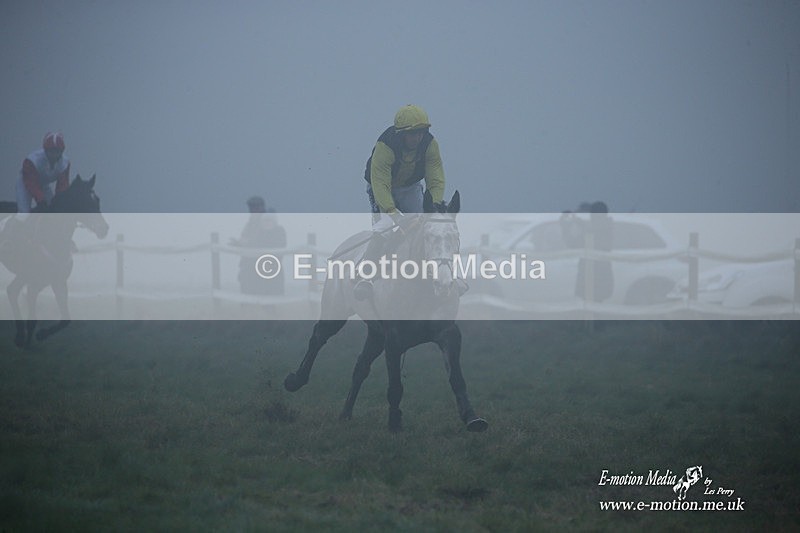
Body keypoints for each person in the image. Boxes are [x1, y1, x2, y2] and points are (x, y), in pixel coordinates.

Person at [355, 104, 446, 299]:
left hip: (410, 187)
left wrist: (435, 206)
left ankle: (443, 275)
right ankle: (366, 276)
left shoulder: (430, 144)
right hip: (381, 187)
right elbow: (380, 185)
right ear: (401, 134)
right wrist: (393, 213)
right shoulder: (385, 146)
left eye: (421, 132)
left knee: (430, 226)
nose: (418, 138)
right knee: (386, 225)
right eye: (413, 134)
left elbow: (436, 178)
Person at [232, 196, 287, 295]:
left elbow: (264, 243)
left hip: (266, 269)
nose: (253, 211)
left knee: (268, 298)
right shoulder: (250, 225)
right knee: (249, 297)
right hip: (249, 269)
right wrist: (240, 244)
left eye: (256, 208)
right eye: (252, 208)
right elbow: (245, 239)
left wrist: (246, 243)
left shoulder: (272, 227)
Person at [17, 132, 70, 213]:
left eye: (57, 151)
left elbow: (62, 186)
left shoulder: (65, 164)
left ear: (61, 151)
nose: (54, 155)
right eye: (51, 151)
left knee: (52, 207)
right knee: (24, 212)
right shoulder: (32, 161)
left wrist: (60, 201)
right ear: (45, 150)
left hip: (43, 185)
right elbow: (31, 183)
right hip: (26, 184)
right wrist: (40, 199)